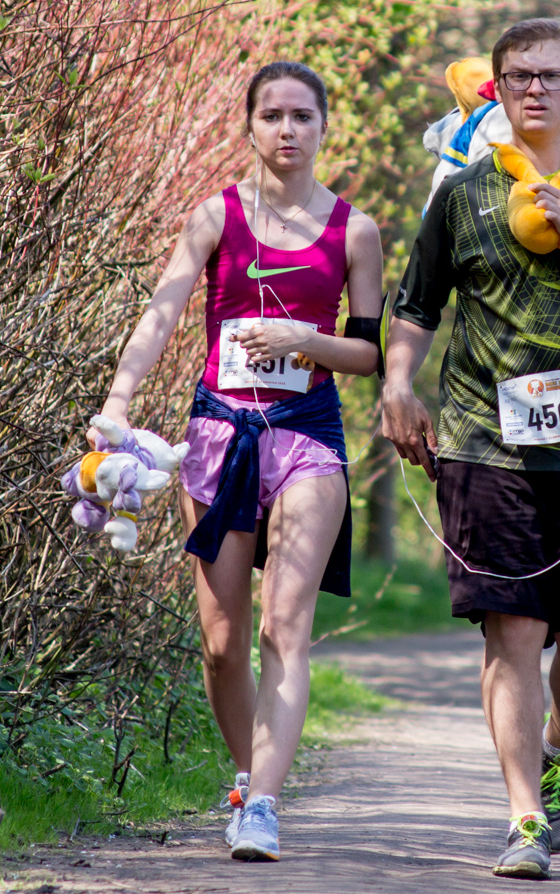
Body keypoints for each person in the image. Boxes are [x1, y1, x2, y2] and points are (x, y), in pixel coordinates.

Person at [380, 17, 560, 880]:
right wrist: (397, 385)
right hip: (484, 444)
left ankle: (559, 746)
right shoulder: (462, 194)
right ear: (495, 89)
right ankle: (525, 817)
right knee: (512, 632)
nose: (535, 88)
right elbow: (417, 303)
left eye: (551, 74)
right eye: (518, 76)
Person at [94, 62, 384, 861]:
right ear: (250, 126)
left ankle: (263, 804)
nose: (287, 130)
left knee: (284, 626)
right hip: (221, 433)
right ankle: (246, 771)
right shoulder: (216, 216)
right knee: (222, 639)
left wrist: (305, 340)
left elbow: (367, 353)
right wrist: (120, 400)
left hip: (307, 437)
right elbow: (162, 313)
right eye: (272, 115)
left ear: (325, 126)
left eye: (302, 115)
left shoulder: (354, 230)